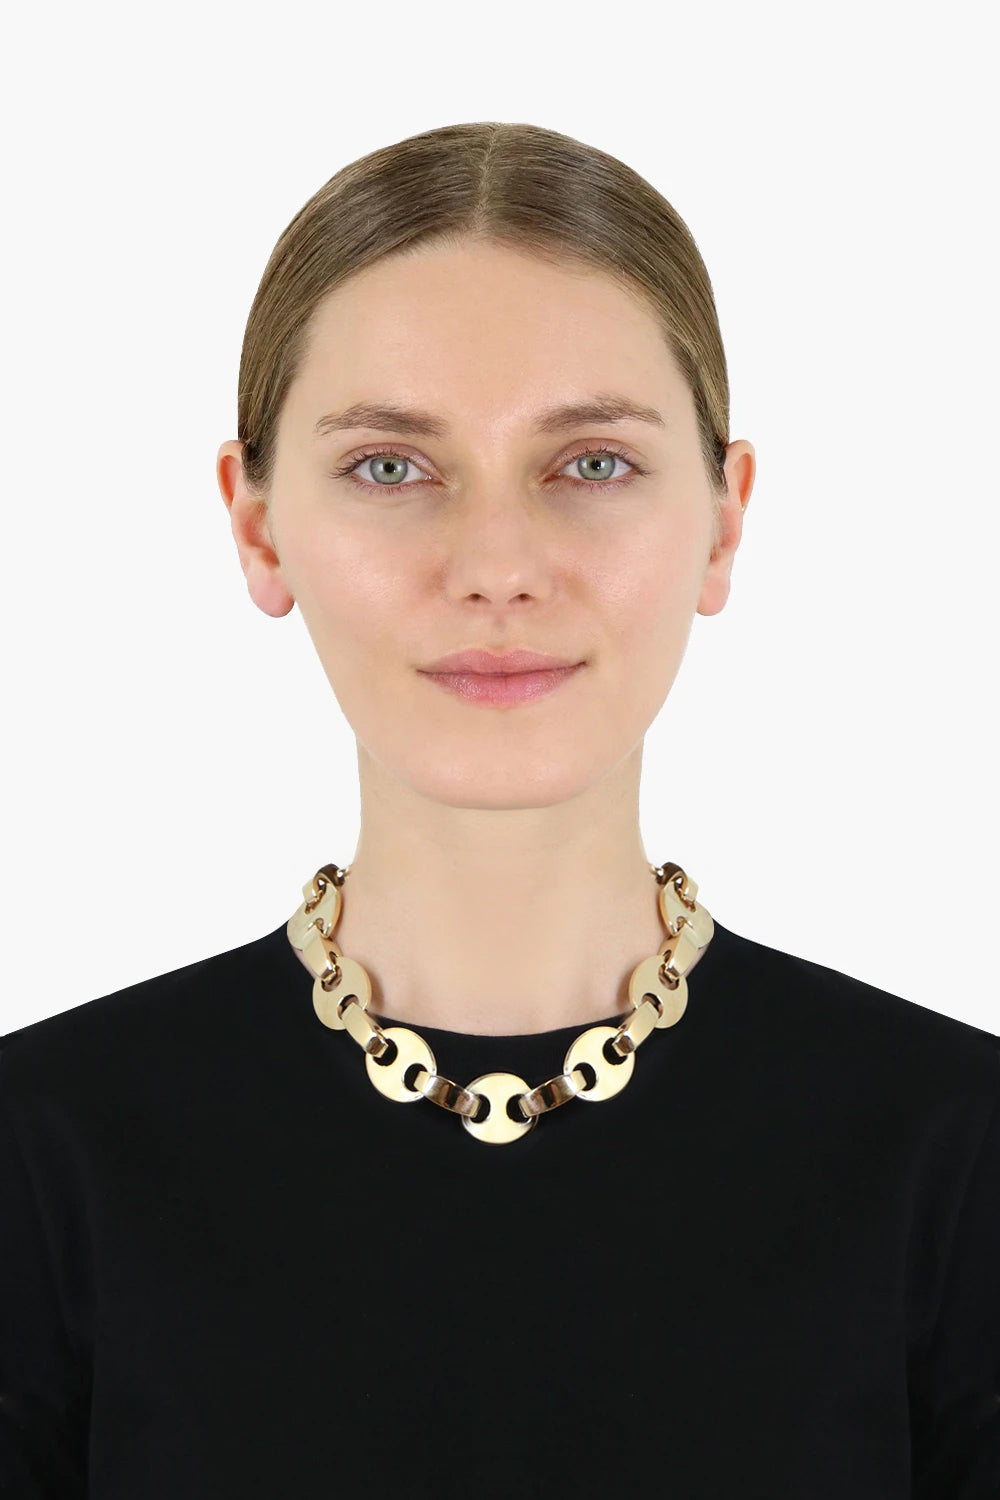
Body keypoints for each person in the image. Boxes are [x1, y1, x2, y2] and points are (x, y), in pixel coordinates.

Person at [1, 120, 997, 1497]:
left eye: (591, 463)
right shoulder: (39, 1160)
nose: (497, 565)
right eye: (390, 466)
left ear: (724, 520)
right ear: (256, 524)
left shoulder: (961, 1158)